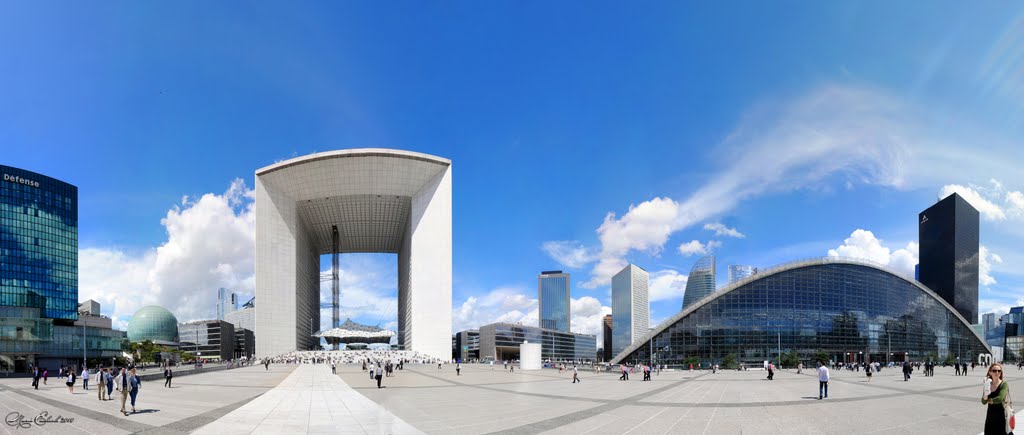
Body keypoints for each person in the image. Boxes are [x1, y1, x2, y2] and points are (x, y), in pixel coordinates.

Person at [982, 363, 1012, 435]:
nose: (997, 372)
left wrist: (989, 400)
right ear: (990, 372)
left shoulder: (1004, 384)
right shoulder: (987, 384)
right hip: (990, 416)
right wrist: (986, 391)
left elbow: (999, 398)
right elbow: (983, 401)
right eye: (994, 370)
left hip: (1001, 415)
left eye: (999, 371)